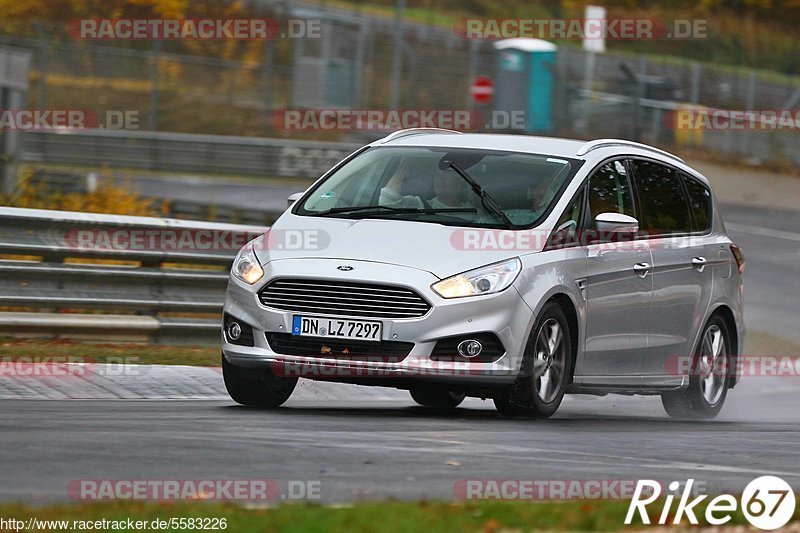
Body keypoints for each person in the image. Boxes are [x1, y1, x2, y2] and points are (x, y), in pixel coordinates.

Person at [378, 158, 474, 211]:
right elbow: (387, 203)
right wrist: (402, 170)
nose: (440, 180)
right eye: (437, 176)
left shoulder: (474, 211)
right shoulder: (421, 205)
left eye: (446, 176)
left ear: (460, 181)